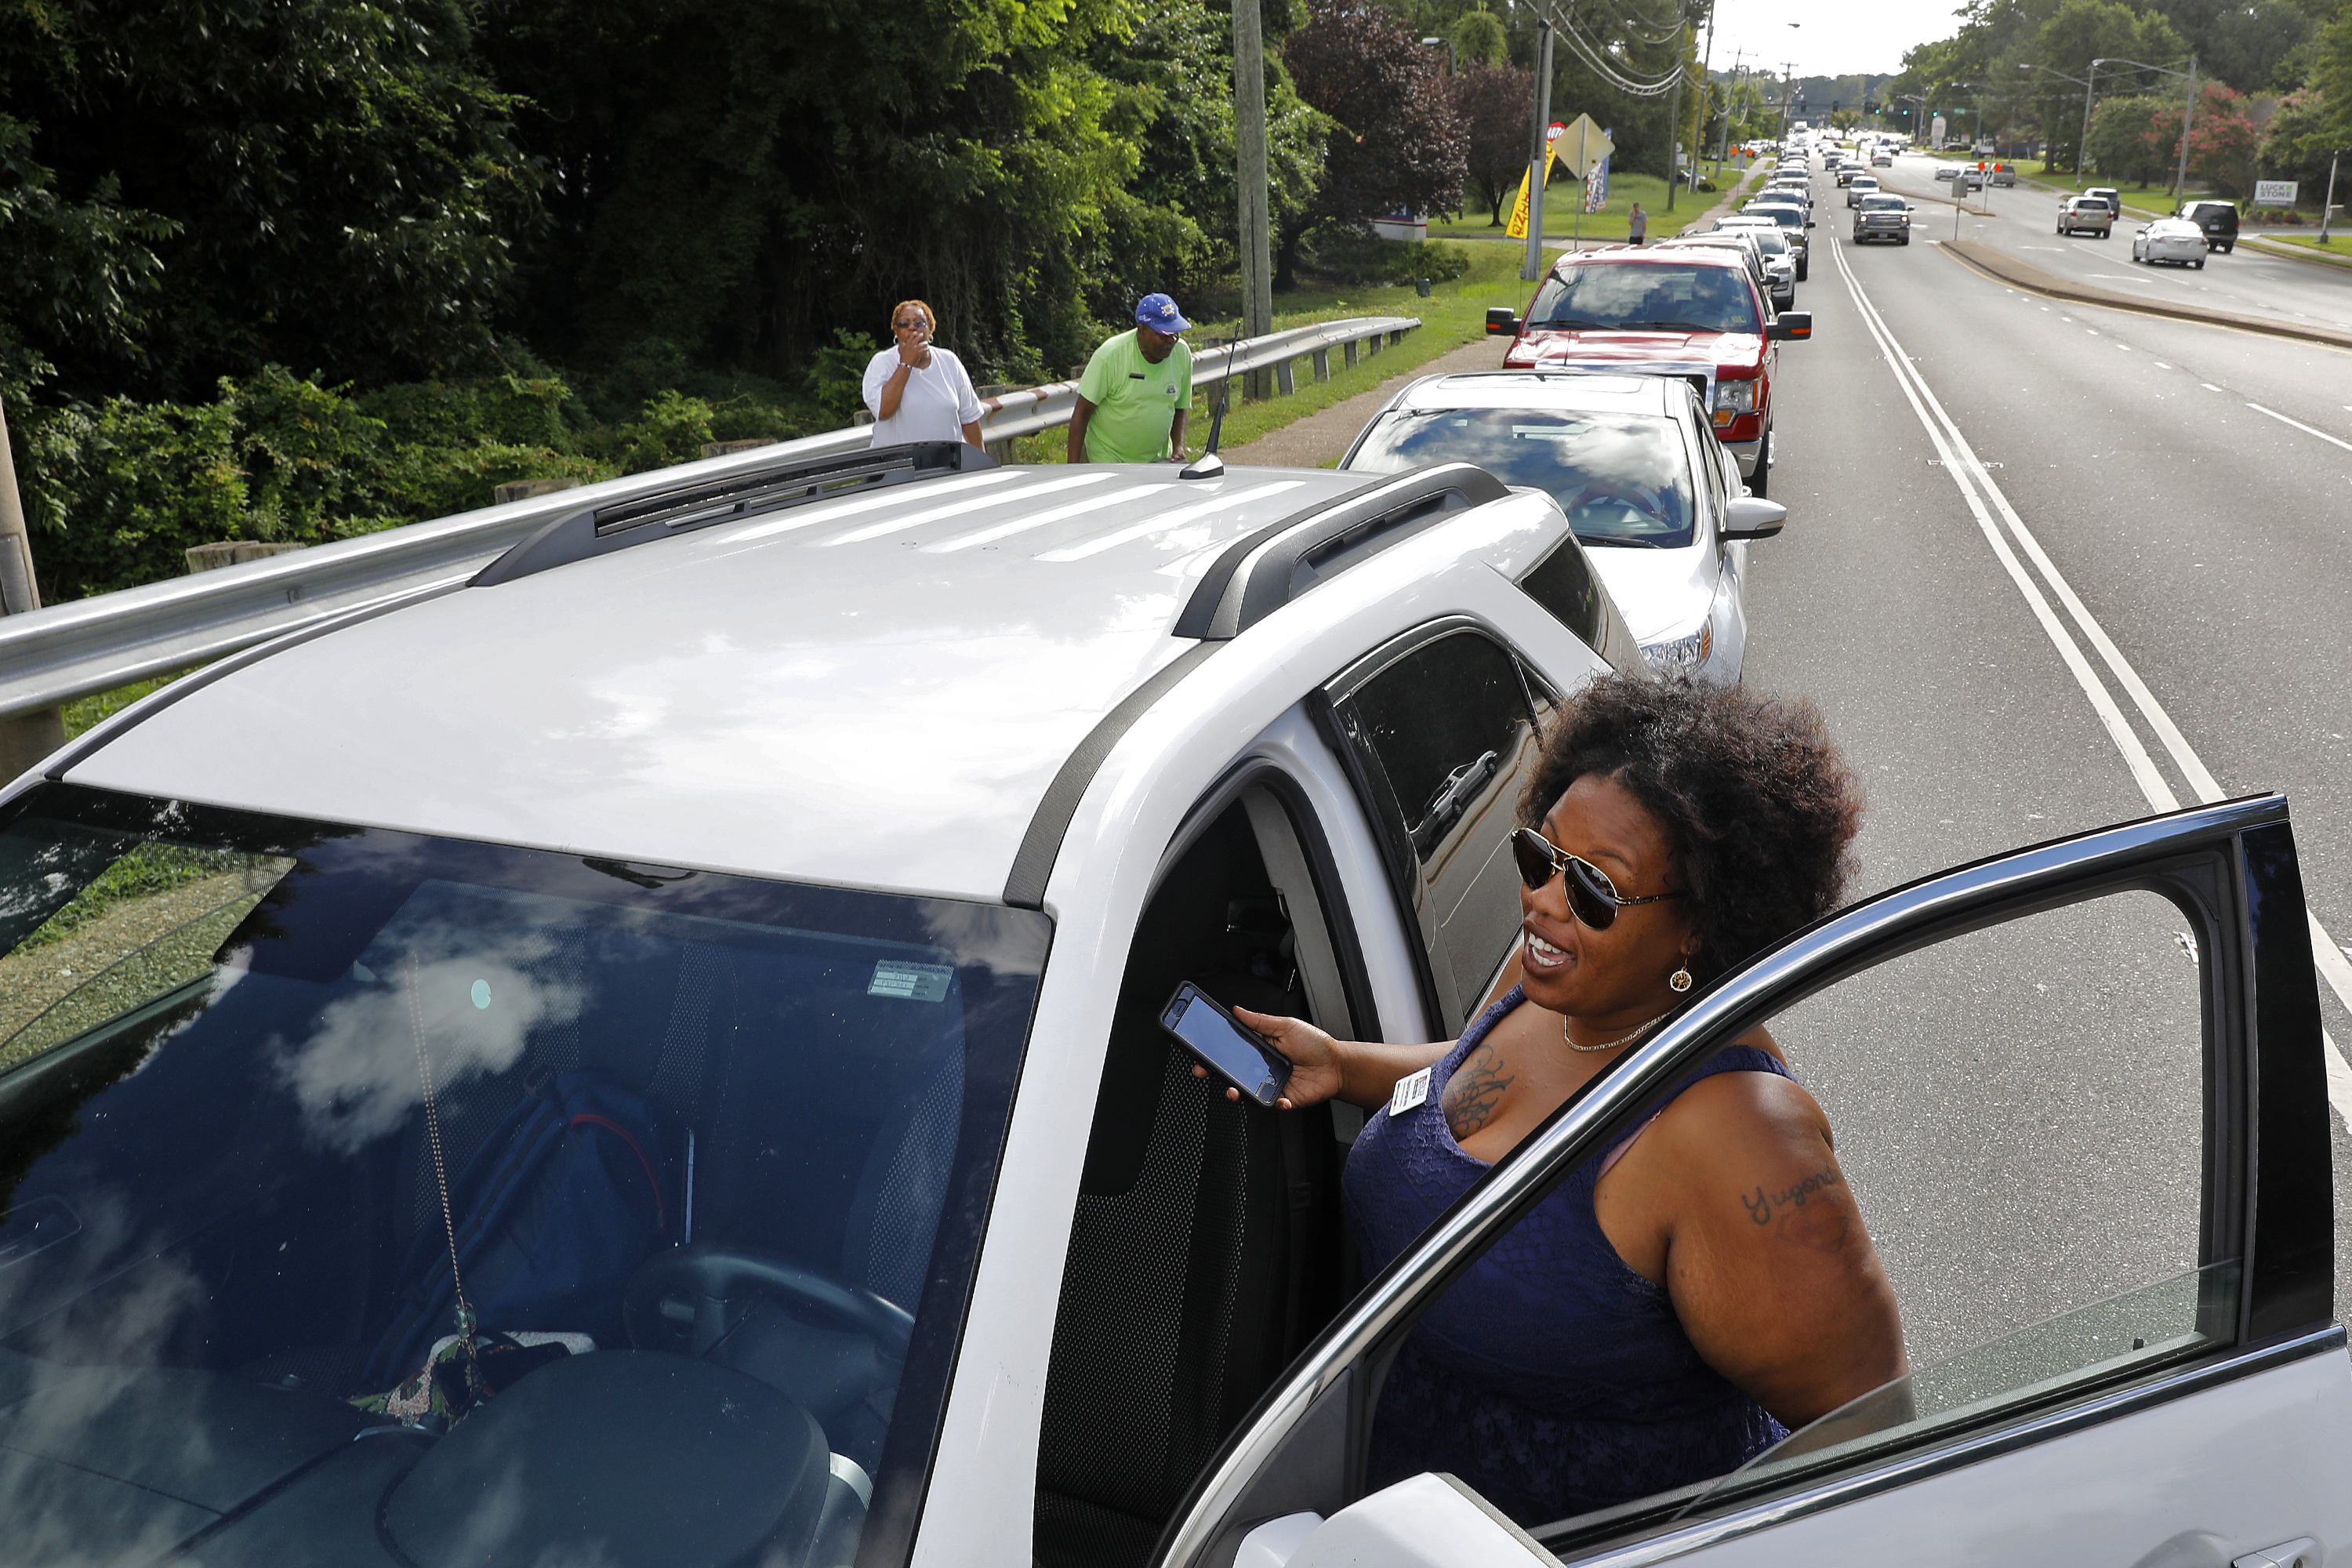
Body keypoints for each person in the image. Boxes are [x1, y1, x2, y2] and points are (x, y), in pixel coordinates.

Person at [1203, 675, 1907, 1526]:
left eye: (1596, 889)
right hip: (1401, 1516)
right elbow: (1472, 1074)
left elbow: (1872, 1433)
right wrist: (1344, 1065)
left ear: (1701, 924)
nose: (1541, 900)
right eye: (1540, 855)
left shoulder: (1743, 1139)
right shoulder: (1561, 984)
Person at [1067, 294, 1193, 464]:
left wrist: (1179, 445)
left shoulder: (1181, 353)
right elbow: (1081, 414)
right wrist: (1072, 470)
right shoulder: (1110, 356)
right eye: (1164, 335)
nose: (1171, 341)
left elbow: (1180, 407)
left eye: (1175, 333)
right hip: (1110, 460)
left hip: (1159, 461)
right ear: (1142, 331)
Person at [862, 299, 985, 448]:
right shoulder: (881, 363)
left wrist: (983, 464)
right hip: (898, 466)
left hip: (946, 464)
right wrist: (906, 363)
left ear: (930, 329)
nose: (912, 328)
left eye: (919, 323)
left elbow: (969, 418)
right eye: (904, 324)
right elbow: (884, 411)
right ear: (896, 330)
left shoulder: (949, 361)